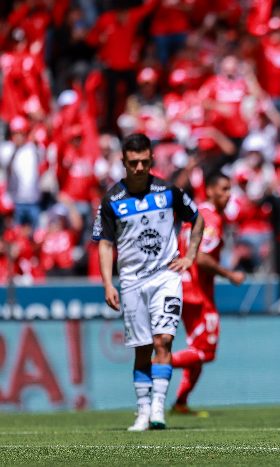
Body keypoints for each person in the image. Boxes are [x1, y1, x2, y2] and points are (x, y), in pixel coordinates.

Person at [92, 133, 204, 431]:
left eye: (144, 161)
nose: (139, 168)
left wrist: (190, 255)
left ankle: (158, 409)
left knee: (163, 340)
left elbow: (197, 217)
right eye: (133, 163)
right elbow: (104, 243)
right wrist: (107, 283)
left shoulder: (168, 191)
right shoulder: (112, 200)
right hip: (130, 282)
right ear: (123, 162)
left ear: (152, 159)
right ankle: (142, 410)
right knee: (142, 348)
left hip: (166, 277)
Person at [171, 172, 245, 414]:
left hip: (186, 286)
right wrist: (230, 274)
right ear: (210, 190)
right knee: (204, 351)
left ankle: (181, 402)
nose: (228, 194)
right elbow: (201, 258)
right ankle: (156, 364)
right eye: (223, 189)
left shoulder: (194, 213)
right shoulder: (211, 218)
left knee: (198, 350)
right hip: (197, 291)